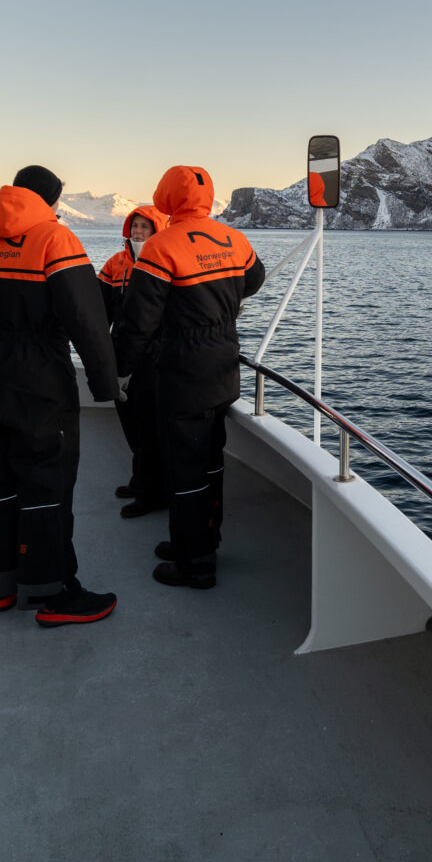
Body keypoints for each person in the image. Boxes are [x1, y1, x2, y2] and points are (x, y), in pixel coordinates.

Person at [0, 165, 120, 626]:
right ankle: (54, 594)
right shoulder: (55, 239)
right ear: (51, 199)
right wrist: (106, 384)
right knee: (45, 480)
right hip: (39, 381)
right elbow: (86, 320)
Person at [112, 165, 266, 589]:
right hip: (223, 366)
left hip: (183, 371)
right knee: (210, 460)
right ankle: (203, 539)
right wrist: (219, 305)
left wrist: (120, 370)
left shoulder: (161, 247)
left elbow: (137, 322)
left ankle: (194, 562)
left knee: (185, 468)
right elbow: (254, 279)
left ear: (166, 196)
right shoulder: (234, 238)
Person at [97, 204, 169, 518]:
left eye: (145, 227)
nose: (138, 232)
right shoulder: (115, 264)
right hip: (122, 357)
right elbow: (101, 310)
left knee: (148, 425)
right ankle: (141, 479)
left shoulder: (166, 262)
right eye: (135, 226)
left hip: (154, 360)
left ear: (157, 231)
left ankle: (150, 491)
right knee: (130, 422)